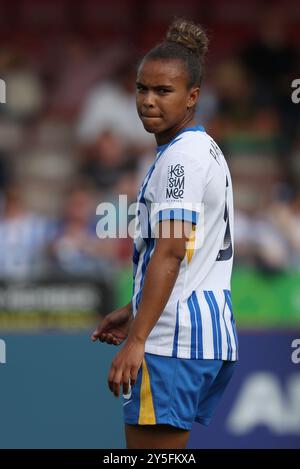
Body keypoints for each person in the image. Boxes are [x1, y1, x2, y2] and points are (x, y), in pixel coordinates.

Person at [92, 18, 238, 449]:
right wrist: (134, 308)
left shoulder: (181, 160)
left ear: (193, 96)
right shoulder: (199, 146)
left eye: (163, 91)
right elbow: (191, 254)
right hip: (202, 329)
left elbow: (171, 252)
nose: (148, 101)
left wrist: (138, 338)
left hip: (172, 338)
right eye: (141, 89)